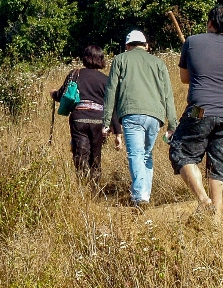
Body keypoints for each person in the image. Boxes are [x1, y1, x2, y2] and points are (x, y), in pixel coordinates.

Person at [169, 5, 223, 221]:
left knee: (180, 150)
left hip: (199, 108)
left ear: (210, 22)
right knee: (221, 165)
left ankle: (204, 201)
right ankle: (217, 218)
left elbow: (185, 79)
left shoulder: (192, 42)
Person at [102, 30, 178, 207]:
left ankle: (139, 197)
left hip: (131, 113)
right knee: (146, 155)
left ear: (127, 46)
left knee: (136, 154)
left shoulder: (120, 59)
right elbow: (168, 95)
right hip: (155, 116)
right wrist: (172, 123)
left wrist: (106, 121)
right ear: (146, 46)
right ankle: (145, 195)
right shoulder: (158, 63)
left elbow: (111, 91)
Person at [51, 44, 117, 185]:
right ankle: (94, 190)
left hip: (79, 119)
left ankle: (82, 187)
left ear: (85, 58)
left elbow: (63, 95)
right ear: (101, 60)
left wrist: (53, 94)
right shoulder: (106, 80)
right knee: (96, 156)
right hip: (99, 121)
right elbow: (112, 104)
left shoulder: (75, 74)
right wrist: (115, 128)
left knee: (80, 154)